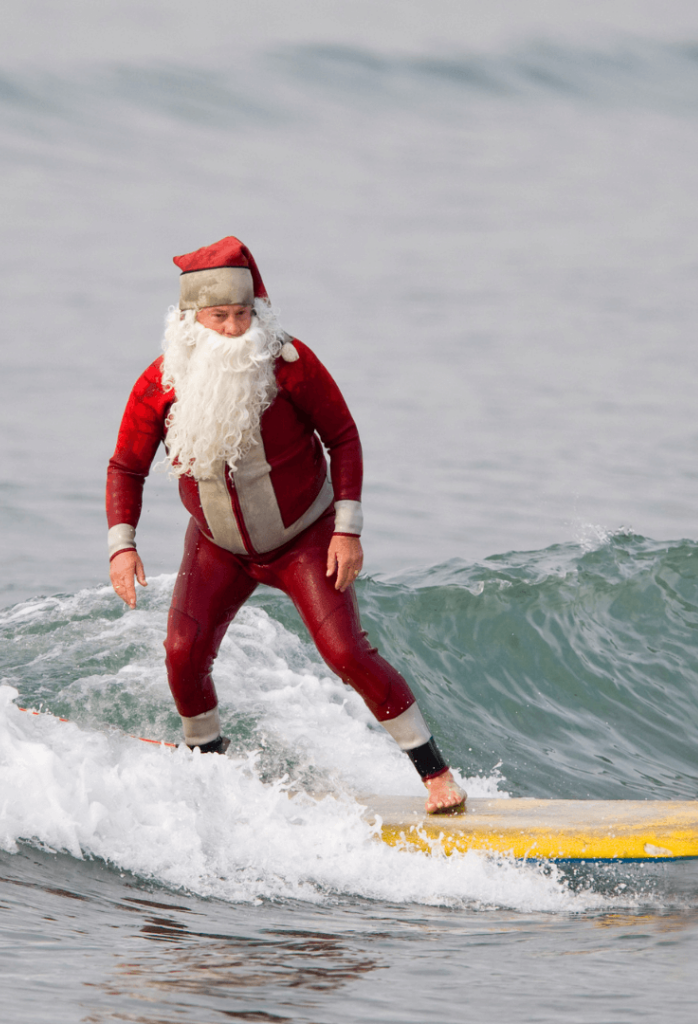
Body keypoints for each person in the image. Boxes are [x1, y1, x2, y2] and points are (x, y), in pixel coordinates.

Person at [106, 237, 466, 814]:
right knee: (182, 650)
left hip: (305, 536)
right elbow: (126, 464)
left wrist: (347, 528)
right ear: (189, 320)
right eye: (218, 316)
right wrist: (122, 546)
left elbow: (343, 436)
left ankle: (436, 775)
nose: (231, 328)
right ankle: (208, 765)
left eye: (241, 314)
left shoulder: (287, 364)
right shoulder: (160, 383)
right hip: (218, 545)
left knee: (345, 652)